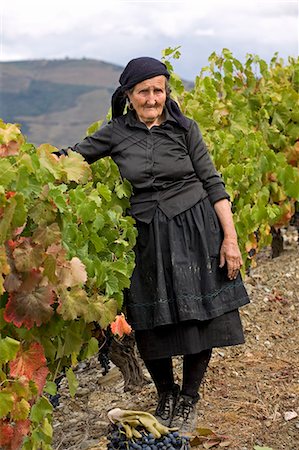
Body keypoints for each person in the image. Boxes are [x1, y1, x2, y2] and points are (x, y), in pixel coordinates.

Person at [57, 57, 250, 433]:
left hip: (196, 230)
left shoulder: (184, 129)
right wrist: (38, 164)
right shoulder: (115, 133)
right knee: (148, 320)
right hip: (147, 235)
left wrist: (230, 238)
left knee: (199, 315)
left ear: (166, 92)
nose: (152, 98)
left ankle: (189, 398)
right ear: (129, 95)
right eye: (143, 91)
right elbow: (72, 157)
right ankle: (166, 393)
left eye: (158, 90)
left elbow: (213, 184)